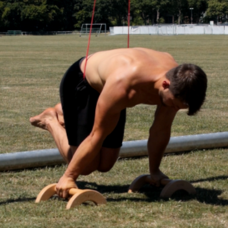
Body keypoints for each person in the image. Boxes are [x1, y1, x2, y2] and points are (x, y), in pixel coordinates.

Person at [30, 48, 207, 198]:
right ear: (165, 84)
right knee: (87, 166)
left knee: (106, 164)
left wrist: (155, 172)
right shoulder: (124, 86)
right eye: (174, 104)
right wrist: (69, 176)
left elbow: (160, 130)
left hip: (110, 84)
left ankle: (65, 113)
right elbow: (96, 135)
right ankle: (50, 120)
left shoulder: (179, 85)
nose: (174, 108)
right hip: (83, 82)